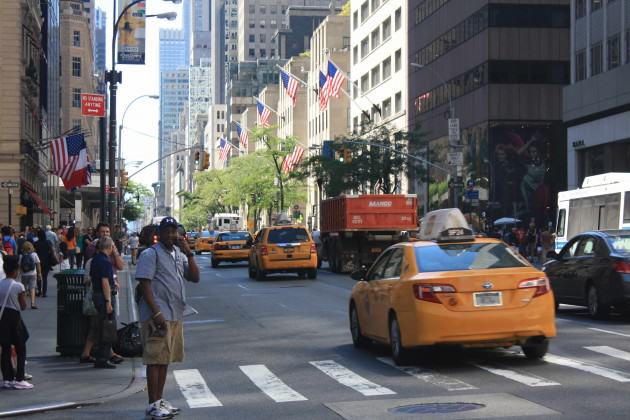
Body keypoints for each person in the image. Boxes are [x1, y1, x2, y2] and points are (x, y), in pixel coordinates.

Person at [136, 216, 199, 419]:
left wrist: (189, 254)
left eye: (175, 231)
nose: (172, 235)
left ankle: (159, 401)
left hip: (174, 314)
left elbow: (195, 278)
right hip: (157, 316)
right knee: (154, 360)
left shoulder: (179, 254)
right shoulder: (150, 254)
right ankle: (152, 405)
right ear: (159, 234)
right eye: (168, 231)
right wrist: (156, 313)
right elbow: (145, 284)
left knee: (164, 360)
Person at [0, 256, 32, 389]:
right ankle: (19, 378)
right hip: (14, 316)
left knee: (5, 347)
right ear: (16, 271)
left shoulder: (0, 283)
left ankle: (6, 378)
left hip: (2, 317)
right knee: (20, 347)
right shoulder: (19, 286)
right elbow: (23, 305)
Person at [88, 237, 118, 369]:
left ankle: (101, 357)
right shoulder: (105, 261)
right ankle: (103, 358)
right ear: (110, 247)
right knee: (107, 327)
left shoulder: (95, 259)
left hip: (96, 294)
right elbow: (105, 282)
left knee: (101, 326)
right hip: (103, 296)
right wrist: (108, 301)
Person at [19, 242, 41, 309]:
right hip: (33, 274)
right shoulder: (34, 254)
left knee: (24, 289)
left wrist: (20, 273)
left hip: (24, 274)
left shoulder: (21, 256)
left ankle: (24, 303)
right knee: (32, 288)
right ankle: (33, 303)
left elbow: (19, 265)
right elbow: (38, 264)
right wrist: (39, 273)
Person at [34, 229, 55, 298]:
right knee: (45, 277)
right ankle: (44, 293)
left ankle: (39, 291)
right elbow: (52, 251)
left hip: (38, 262)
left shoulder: (36, 243)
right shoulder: (48, 242)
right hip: (47, 261)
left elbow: (34, 252)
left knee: (39, 276)